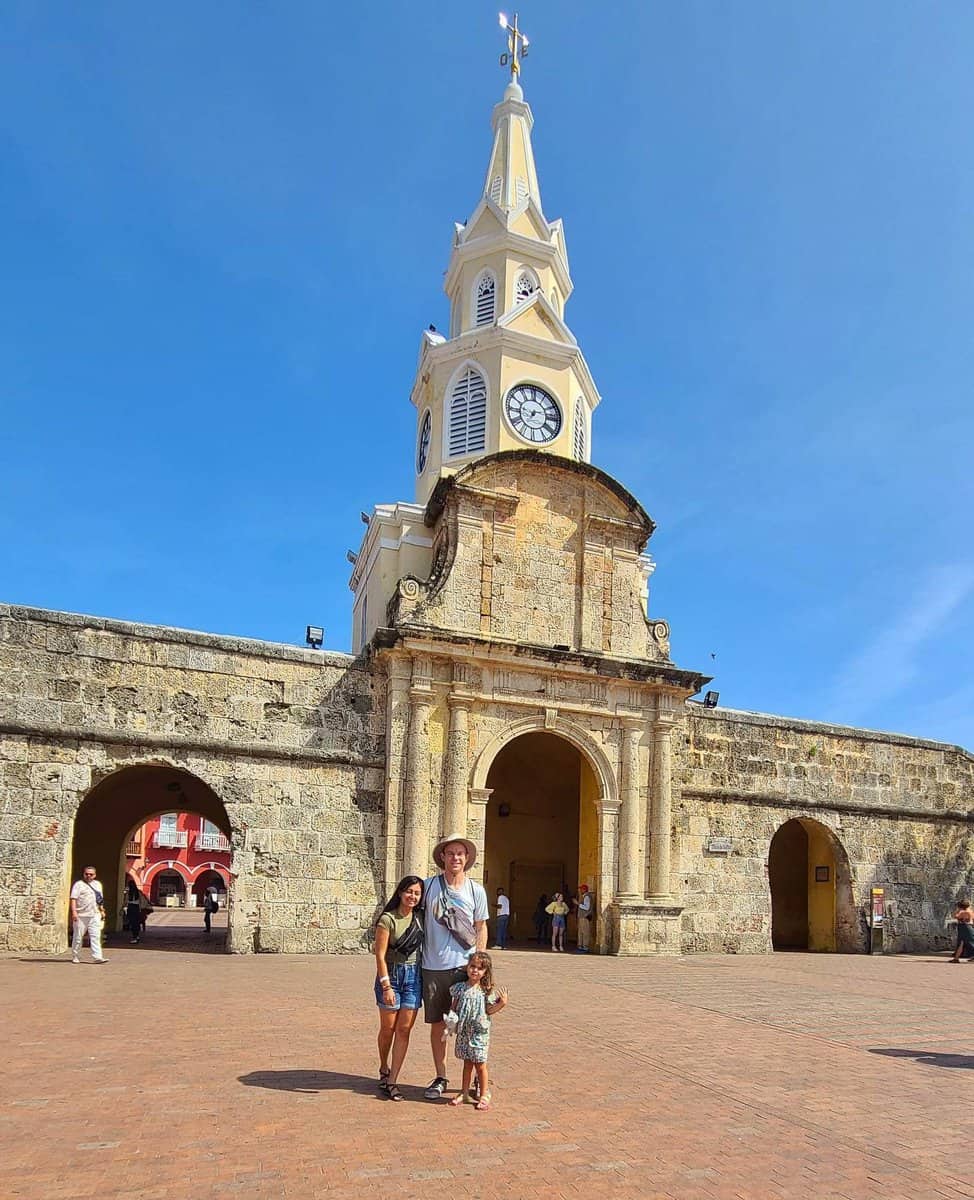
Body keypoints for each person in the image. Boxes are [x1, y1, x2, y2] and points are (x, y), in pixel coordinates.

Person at [421, 832, 489, 1101]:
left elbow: (481, 927)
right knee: (438, 1025)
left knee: (471, 1024)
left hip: (465, 968)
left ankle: (472, 1079)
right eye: (450, 853)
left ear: (467, 858)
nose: (455, 858)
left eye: (460, 853)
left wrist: (479, 964)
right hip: (434, 966)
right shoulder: (428, 887)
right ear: (442, 857)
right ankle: (441, 1075)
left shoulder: (476, 891)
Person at [373, 875, 425, 1101]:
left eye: (417, 893)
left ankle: (393, 1080)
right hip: (392, 976)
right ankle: (384, 1067)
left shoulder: (421, 918)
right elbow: (380, 955)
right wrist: (386, 986)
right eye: (409, 891)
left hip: (414, 976)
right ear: (400, 892)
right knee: (388, 1029)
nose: (413, 896)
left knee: (404, 1030)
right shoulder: (387, 919)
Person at [445, 951, 508, 1111]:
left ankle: (484, 1093)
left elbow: (489, 1010)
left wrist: (501, 1004)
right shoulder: (459, 988)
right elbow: (454, 1008)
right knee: (467, 1064)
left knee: (480, 1065)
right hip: (464, 1032)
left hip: (479, 1033)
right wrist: (450, 1024)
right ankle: (464, 1092)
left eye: (479, 968)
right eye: (472, 966)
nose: (475, 971)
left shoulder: (485, 991)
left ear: (485, 972)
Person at [70, 865, 108, 964]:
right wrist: (74, 912)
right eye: (86, 874)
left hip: (94, 914)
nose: (88, 876)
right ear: (84, 874)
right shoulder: (78, 885)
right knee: (78, 937)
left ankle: (97, 957)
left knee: (95, 936)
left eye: (91, 874)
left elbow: (99, 899)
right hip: (81, 915)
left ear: (95, 875)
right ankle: (76, 956)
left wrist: (102, 911)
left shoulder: (98, 885)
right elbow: (73, 899)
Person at [950, 898, 974, 962]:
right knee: (962, 943)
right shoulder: (970, 911)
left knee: (968, 943)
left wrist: (958, 910)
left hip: (965, 927)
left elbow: (954, 916)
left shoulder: (964, 912)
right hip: (966, 927)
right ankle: (956, 958)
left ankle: (956, 958)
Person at [573, 884, 594, 953]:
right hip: (582, 917)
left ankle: (585, 947)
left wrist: (578, 903)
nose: (580, 890)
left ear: (584, 890)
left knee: (585, 932)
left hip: (584, 917)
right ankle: (581, 946)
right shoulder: (584, 896)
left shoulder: (587, 897)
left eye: (581, 889)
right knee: (581, 932)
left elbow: (586, 907)